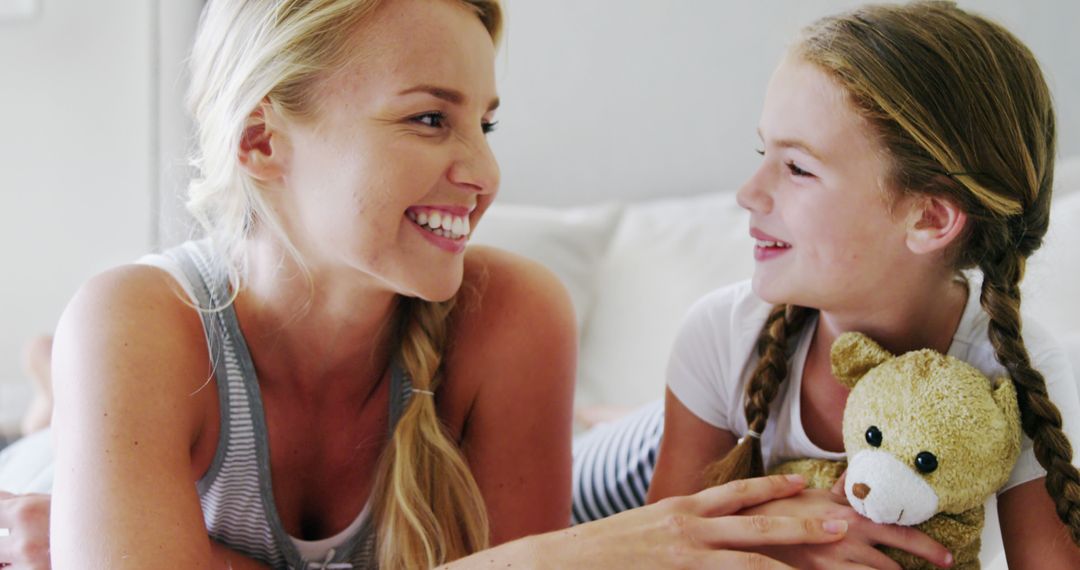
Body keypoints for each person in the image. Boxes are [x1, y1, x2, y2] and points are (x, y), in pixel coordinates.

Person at [2, 1, 853, 569]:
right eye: (428, 118)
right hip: (51, 474)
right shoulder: (134, 322)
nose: (483, 171)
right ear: (262, 141)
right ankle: (50, 397)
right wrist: (563, 557)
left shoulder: (515, 314)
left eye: (484, 124)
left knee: (616, 448)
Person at [576, 2, 1080, 569]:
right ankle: (618, 421)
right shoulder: (721, 335)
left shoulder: (1014, 374)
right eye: (763, 151)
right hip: (611, 477)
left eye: (798, 168)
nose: (747, 192)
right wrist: (776, 536)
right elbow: (656, 552)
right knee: (615, 448)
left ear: (930, 219)